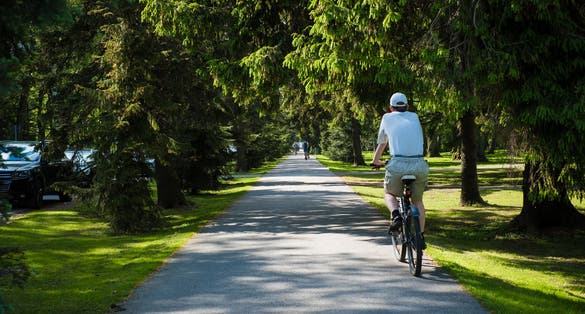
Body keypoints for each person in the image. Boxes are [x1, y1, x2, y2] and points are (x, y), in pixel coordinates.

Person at [371, 92, 429, 247]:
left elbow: (382, 142)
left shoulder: (387, 118)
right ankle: (420, 237)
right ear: (407, 106)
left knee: (389, 193)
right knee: (418, 201)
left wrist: (376, 161)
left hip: (397, 164)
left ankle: (396, 215)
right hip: (419, 164)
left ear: (391, 108)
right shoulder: (415, 117)